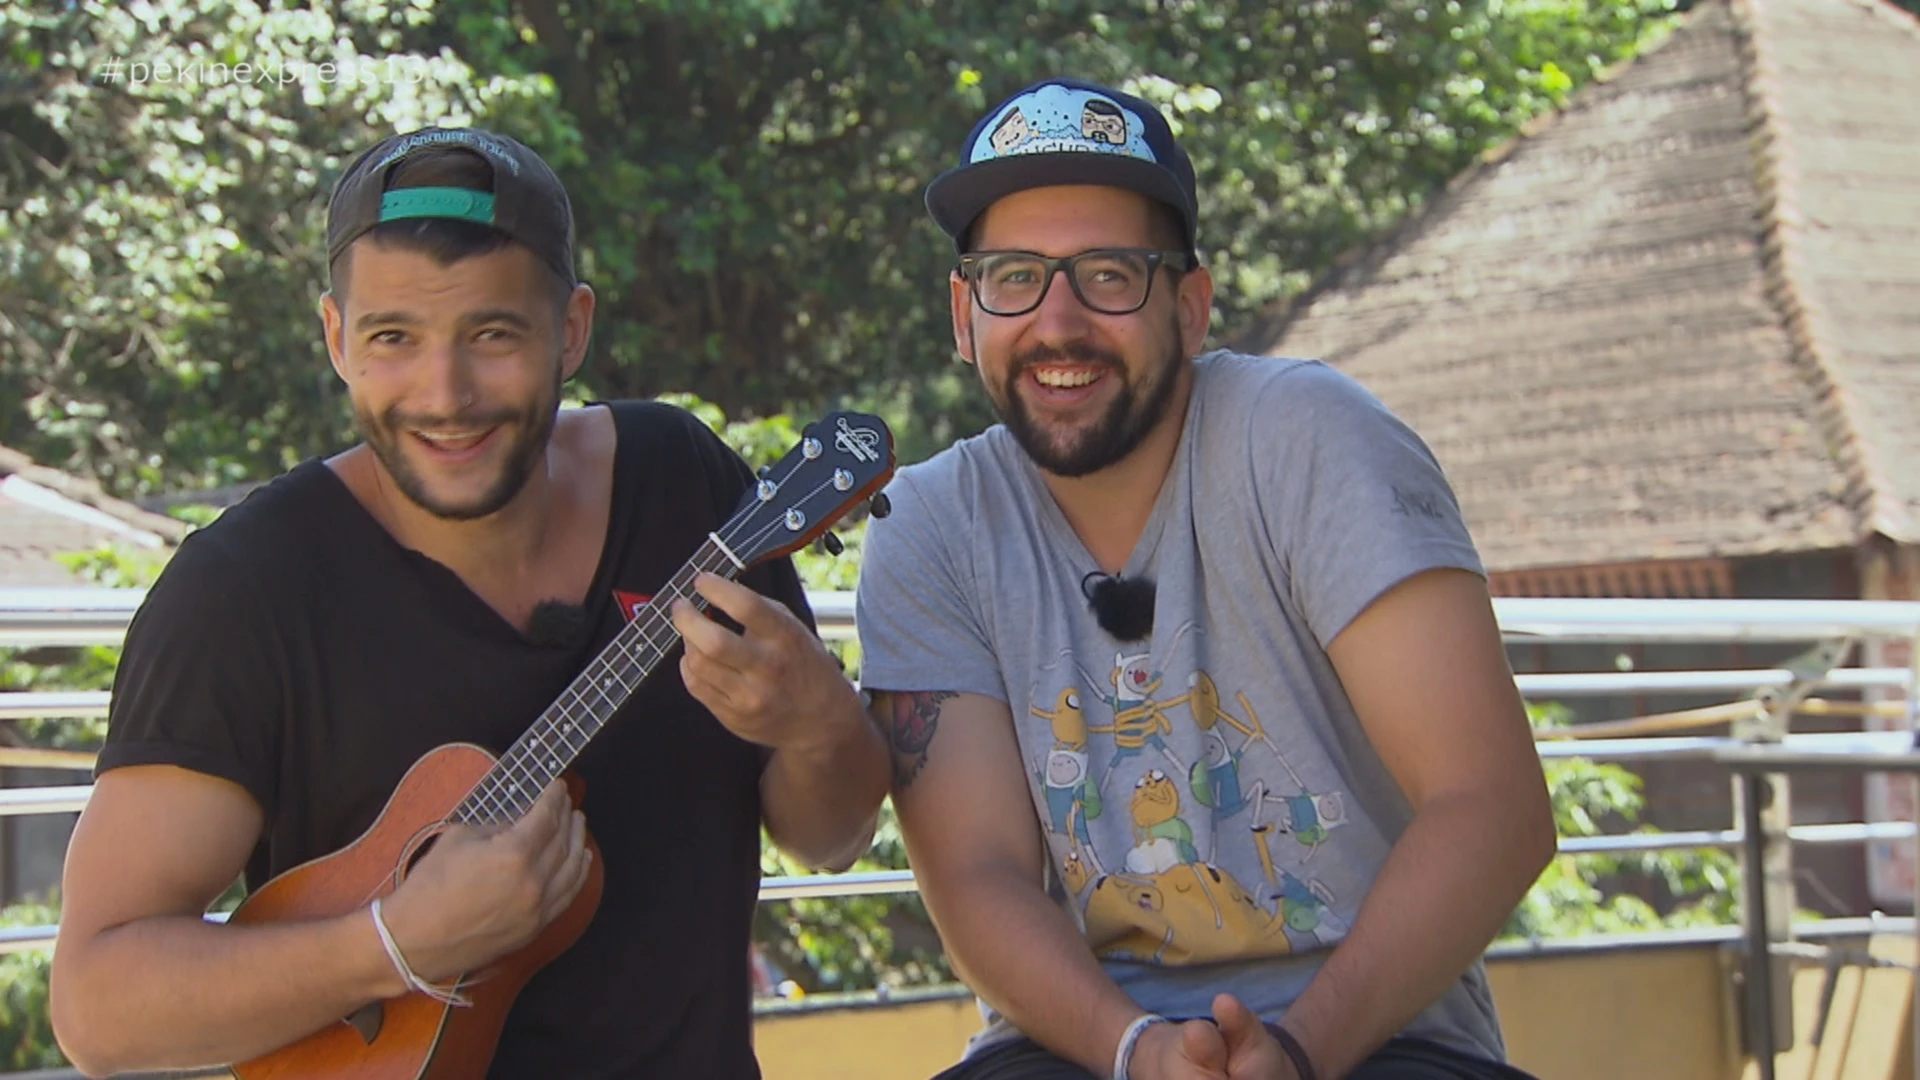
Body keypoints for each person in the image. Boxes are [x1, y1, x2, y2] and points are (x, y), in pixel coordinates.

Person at [48, 126, 889, 1079]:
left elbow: (831, 837)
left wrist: (824, 724)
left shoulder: (682, 488)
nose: (444, 395)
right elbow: (97, 1007)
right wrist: (394, 943)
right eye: (392, 338)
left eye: (492, 334)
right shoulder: (247, 591)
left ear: (571, 328)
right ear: (336, 338)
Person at [853, 78, 1557, 1080]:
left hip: (1373, 1032)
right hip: (1085, 1044)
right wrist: (1135, 1052)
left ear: (1189, 306)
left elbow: (1492, 806)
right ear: (965, 313)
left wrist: (1301, 1051)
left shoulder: (1309, 438)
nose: (1058, 323)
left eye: (1108, 274)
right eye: (1014, 276)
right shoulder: (930, 523)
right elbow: (981, 874)